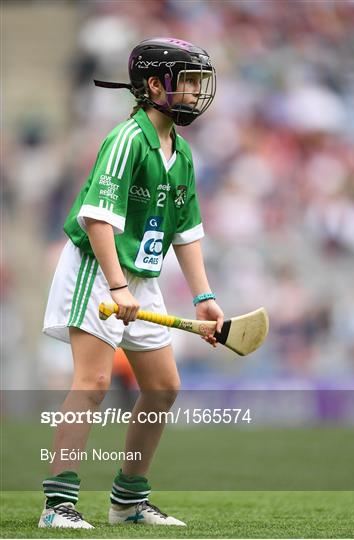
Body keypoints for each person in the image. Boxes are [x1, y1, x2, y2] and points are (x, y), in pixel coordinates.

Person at [39, 37, 224, 529]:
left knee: (163, 386)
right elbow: (97, 220)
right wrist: (117, 286)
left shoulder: (179, 152)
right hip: (97, 271)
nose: (193, 92)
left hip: (137, 278)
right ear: (151, 85)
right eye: (186, 82)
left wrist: (204, 297)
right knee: (93, 382)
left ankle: (128, 501)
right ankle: (58, 505)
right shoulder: (126, 140)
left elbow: (184, 233)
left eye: (196, 83)